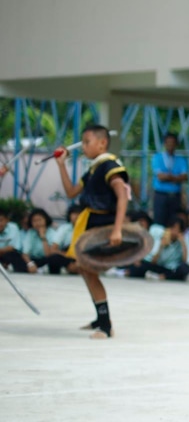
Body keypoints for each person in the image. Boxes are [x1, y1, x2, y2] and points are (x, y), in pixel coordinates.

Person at [54, 125, 131, 339]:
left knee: (89, 271)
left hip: (102, 226)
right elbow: (71, 192)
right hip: (89, 224)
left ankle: (105, 326)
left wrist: (117, 230)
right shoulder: (94, 169)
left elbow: (122, 196)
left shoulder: (110, 166)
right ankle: (100, 317)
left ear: (102, 143)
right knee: (85, 271)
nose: (84, 147)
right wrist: (61, 164)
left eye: (87, 142)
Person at [151, 133, 189, 226]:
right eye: (168, 142)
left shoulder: (181, 160)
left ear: (176, 144)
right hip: (161, 195)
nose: (170, 145)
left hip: (175, 196)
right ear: (164, 143)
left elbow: (185, 177)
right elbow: (160, 177)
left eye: (172, 142)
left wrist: (168, 177)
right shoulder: (157, 157)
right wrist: (176, 178)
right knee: (159, 221)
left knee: (174, 221)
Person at [23, 208, 72, 274]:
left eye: (39, 220)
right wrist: (30, 264)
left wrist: (43, 237)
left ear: (45, 220)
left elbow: (48, 254)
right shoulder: (31, 233)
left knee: (54, 259)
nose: (37, 223)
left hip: (47, 259)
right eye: (34, 221)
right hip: (34, 260)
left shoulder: (52, 233)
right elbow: (25, 253)